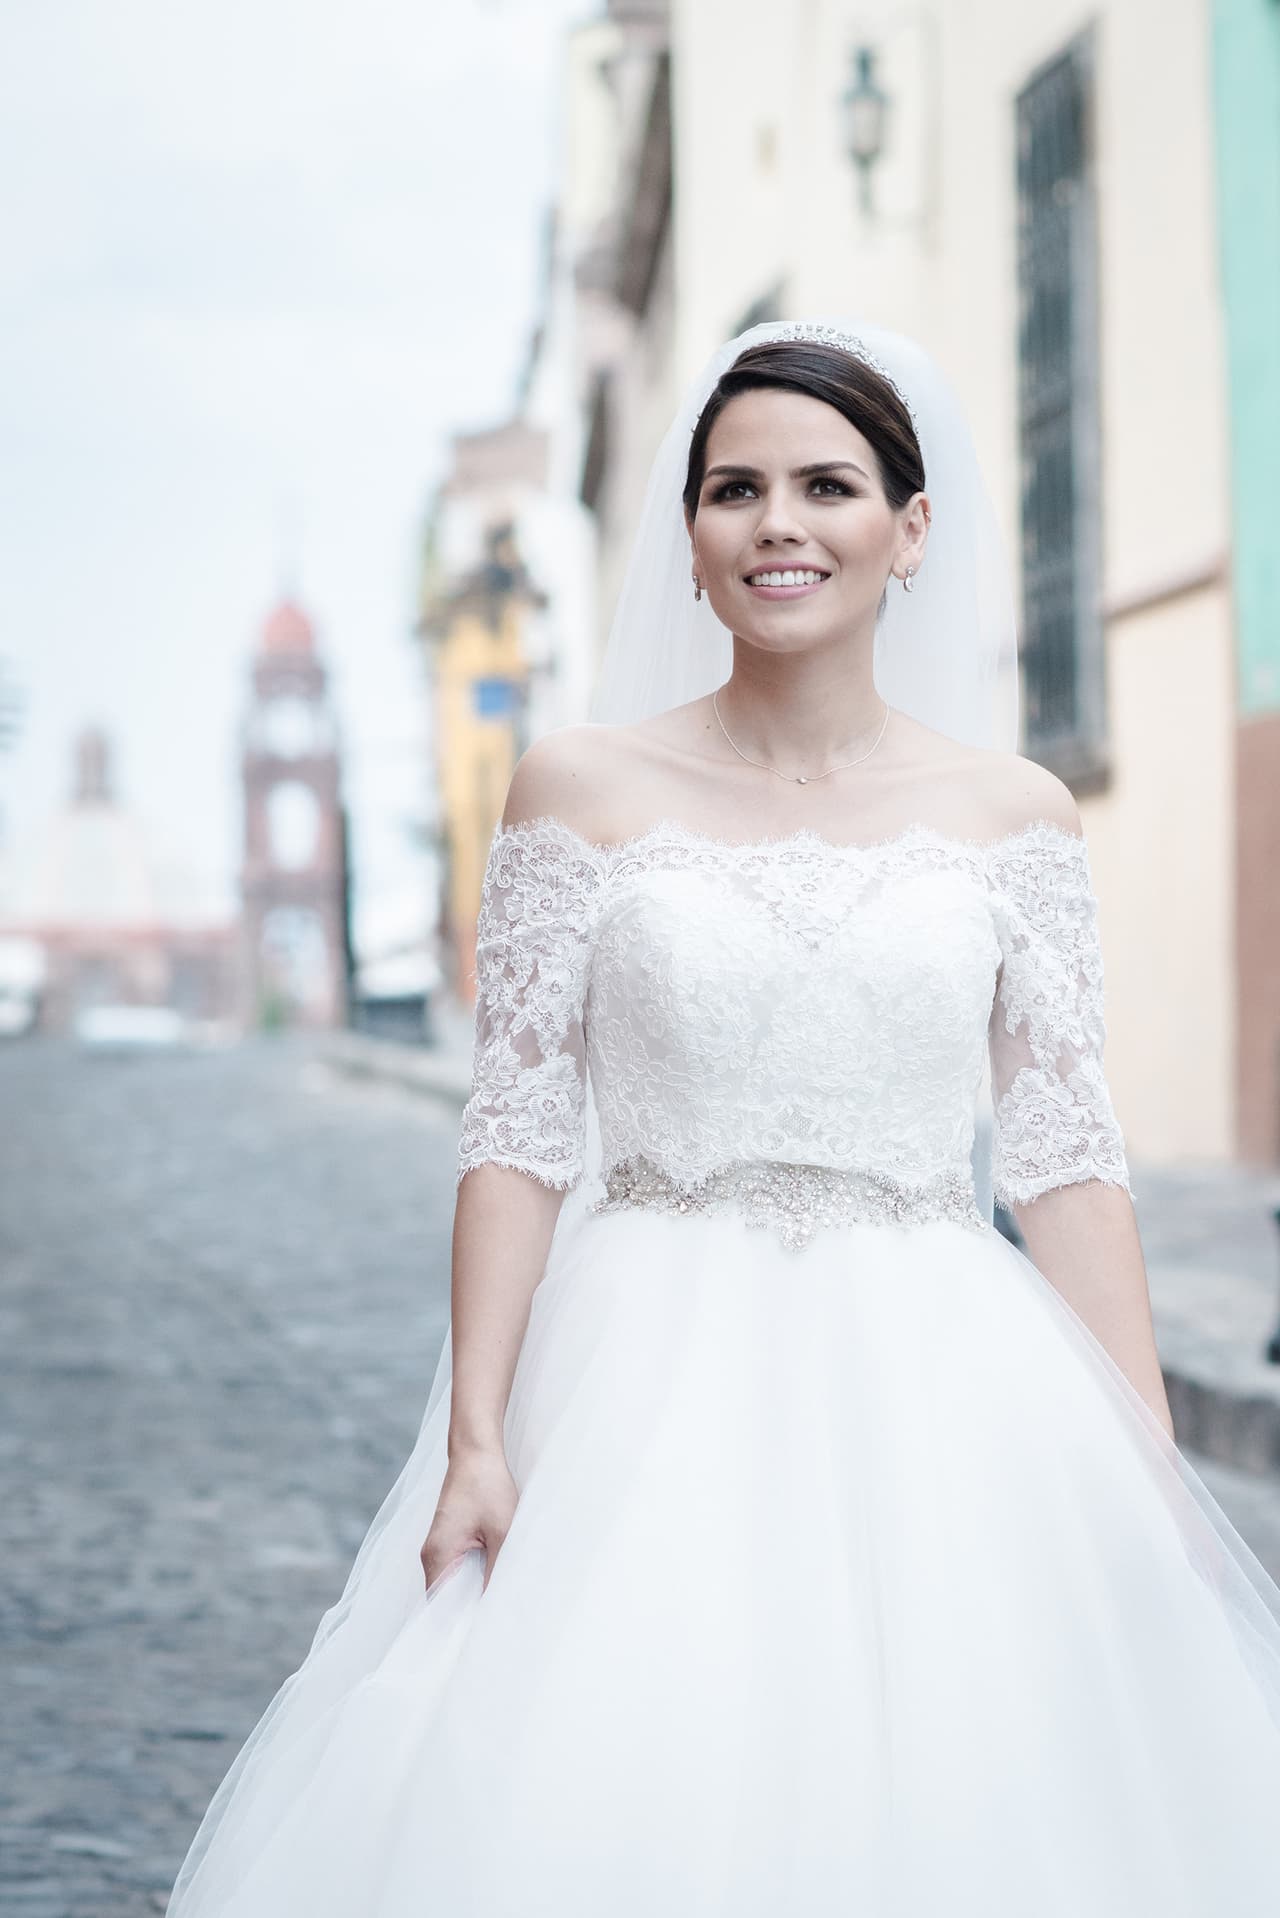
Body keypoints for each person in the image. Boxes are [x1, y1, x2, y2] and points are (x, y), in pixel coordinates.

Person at [168, 321, 1280, 1917]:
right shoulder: (579, 791)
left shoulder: (1014, 817)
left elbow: (1068, 1163)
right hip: (644, 1362)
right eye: (734, 489)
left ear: (907, 533)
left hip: (947, 1372)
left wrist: (1148, 1468)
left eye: (828, 486)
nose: (779, 523)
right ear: (686, 544)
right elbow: (517, 1136)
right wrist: (478, 1434)